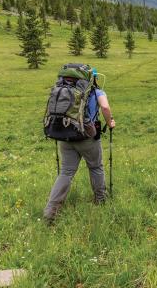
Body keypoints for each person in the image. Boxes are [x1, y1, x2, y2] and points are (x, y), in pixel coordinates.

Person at [43, 70, 116, 222]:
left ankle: (50, 211)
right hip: (87, 137)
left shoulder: (63, 90)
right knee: (95, 167)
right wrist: (110, 123)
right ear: (92, 78)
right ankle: (100, 200)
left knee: (66, 172)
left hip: (65, 134)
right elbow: (106, 108)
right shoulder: (97, 91)